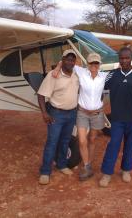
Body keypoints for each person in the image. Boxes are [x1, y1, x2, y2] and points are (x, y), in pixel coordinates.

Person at [99, 46, 132, 187]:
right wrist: (97, 108)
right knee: (113, 144)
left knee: (130, 145)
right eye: (121, 58)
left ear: (131, 59)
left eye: (127, 58)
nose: (124, 60)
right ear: (118, 59)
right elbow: (99, 88)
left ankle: (126, 170)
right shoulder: (112, 74)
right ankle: (107, 173)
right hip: (117, 118)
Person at [52, 52, 108, 181]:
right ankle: (87, 166)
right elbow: (65, 61)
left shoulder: (104, 76)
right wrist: (57, 68)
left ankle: (88, 164)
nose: (94, 65)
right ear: (87, 64)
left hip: (97, 113)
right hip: (82, 112)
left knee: (93, 139)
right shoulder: (81, 72)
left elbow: (120, 71)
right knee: (82, 140)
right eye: (91, 63)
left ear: (99, 64)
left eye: (96, 63)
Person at [37, 49, 79, 185]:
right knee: (52, 142)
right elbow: (41, 95)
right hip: (56, 113)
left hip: (72, 113)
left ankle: (62, 165)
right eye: (67, 59)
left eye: (72, 60)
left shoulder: (77, 74)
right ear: (62, 60)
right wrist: (44, 113)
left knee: (65, 141)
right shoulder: (53, 75)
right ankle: (45, 172)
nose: (70, 62)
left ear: (75, 62)